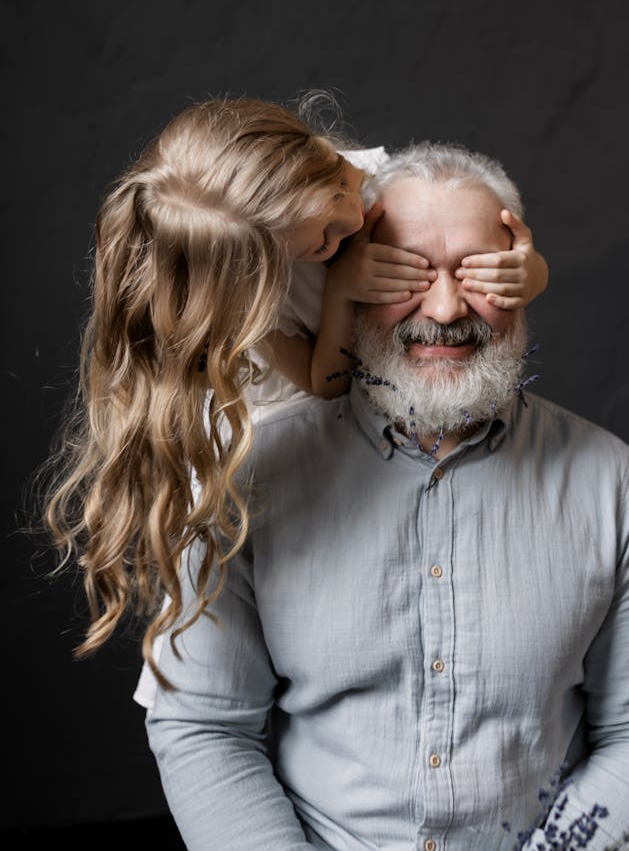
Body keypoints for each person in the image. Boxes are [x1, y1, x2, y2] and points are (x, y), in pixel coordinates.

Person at [143, 142, 629, 850]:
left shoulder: (609, 482)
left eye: (480, 273)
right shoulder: (250, 481)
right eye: (403, 273)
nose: (443, 309)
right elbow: (204, 727)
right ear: (340, 278)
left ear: (524, 279)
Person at [42, 97, 548, 689]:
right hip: (291, 408)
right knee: (243, 572)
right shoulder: (260, 275)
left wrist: (530, 272)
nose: (335, 242)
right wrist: (341, 289)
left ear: (321, 167)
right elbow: (323, 384)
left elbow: (487, 264)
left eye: (330, 227)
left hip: (386, 409)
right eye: (310, 251)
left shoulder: (375, 180)